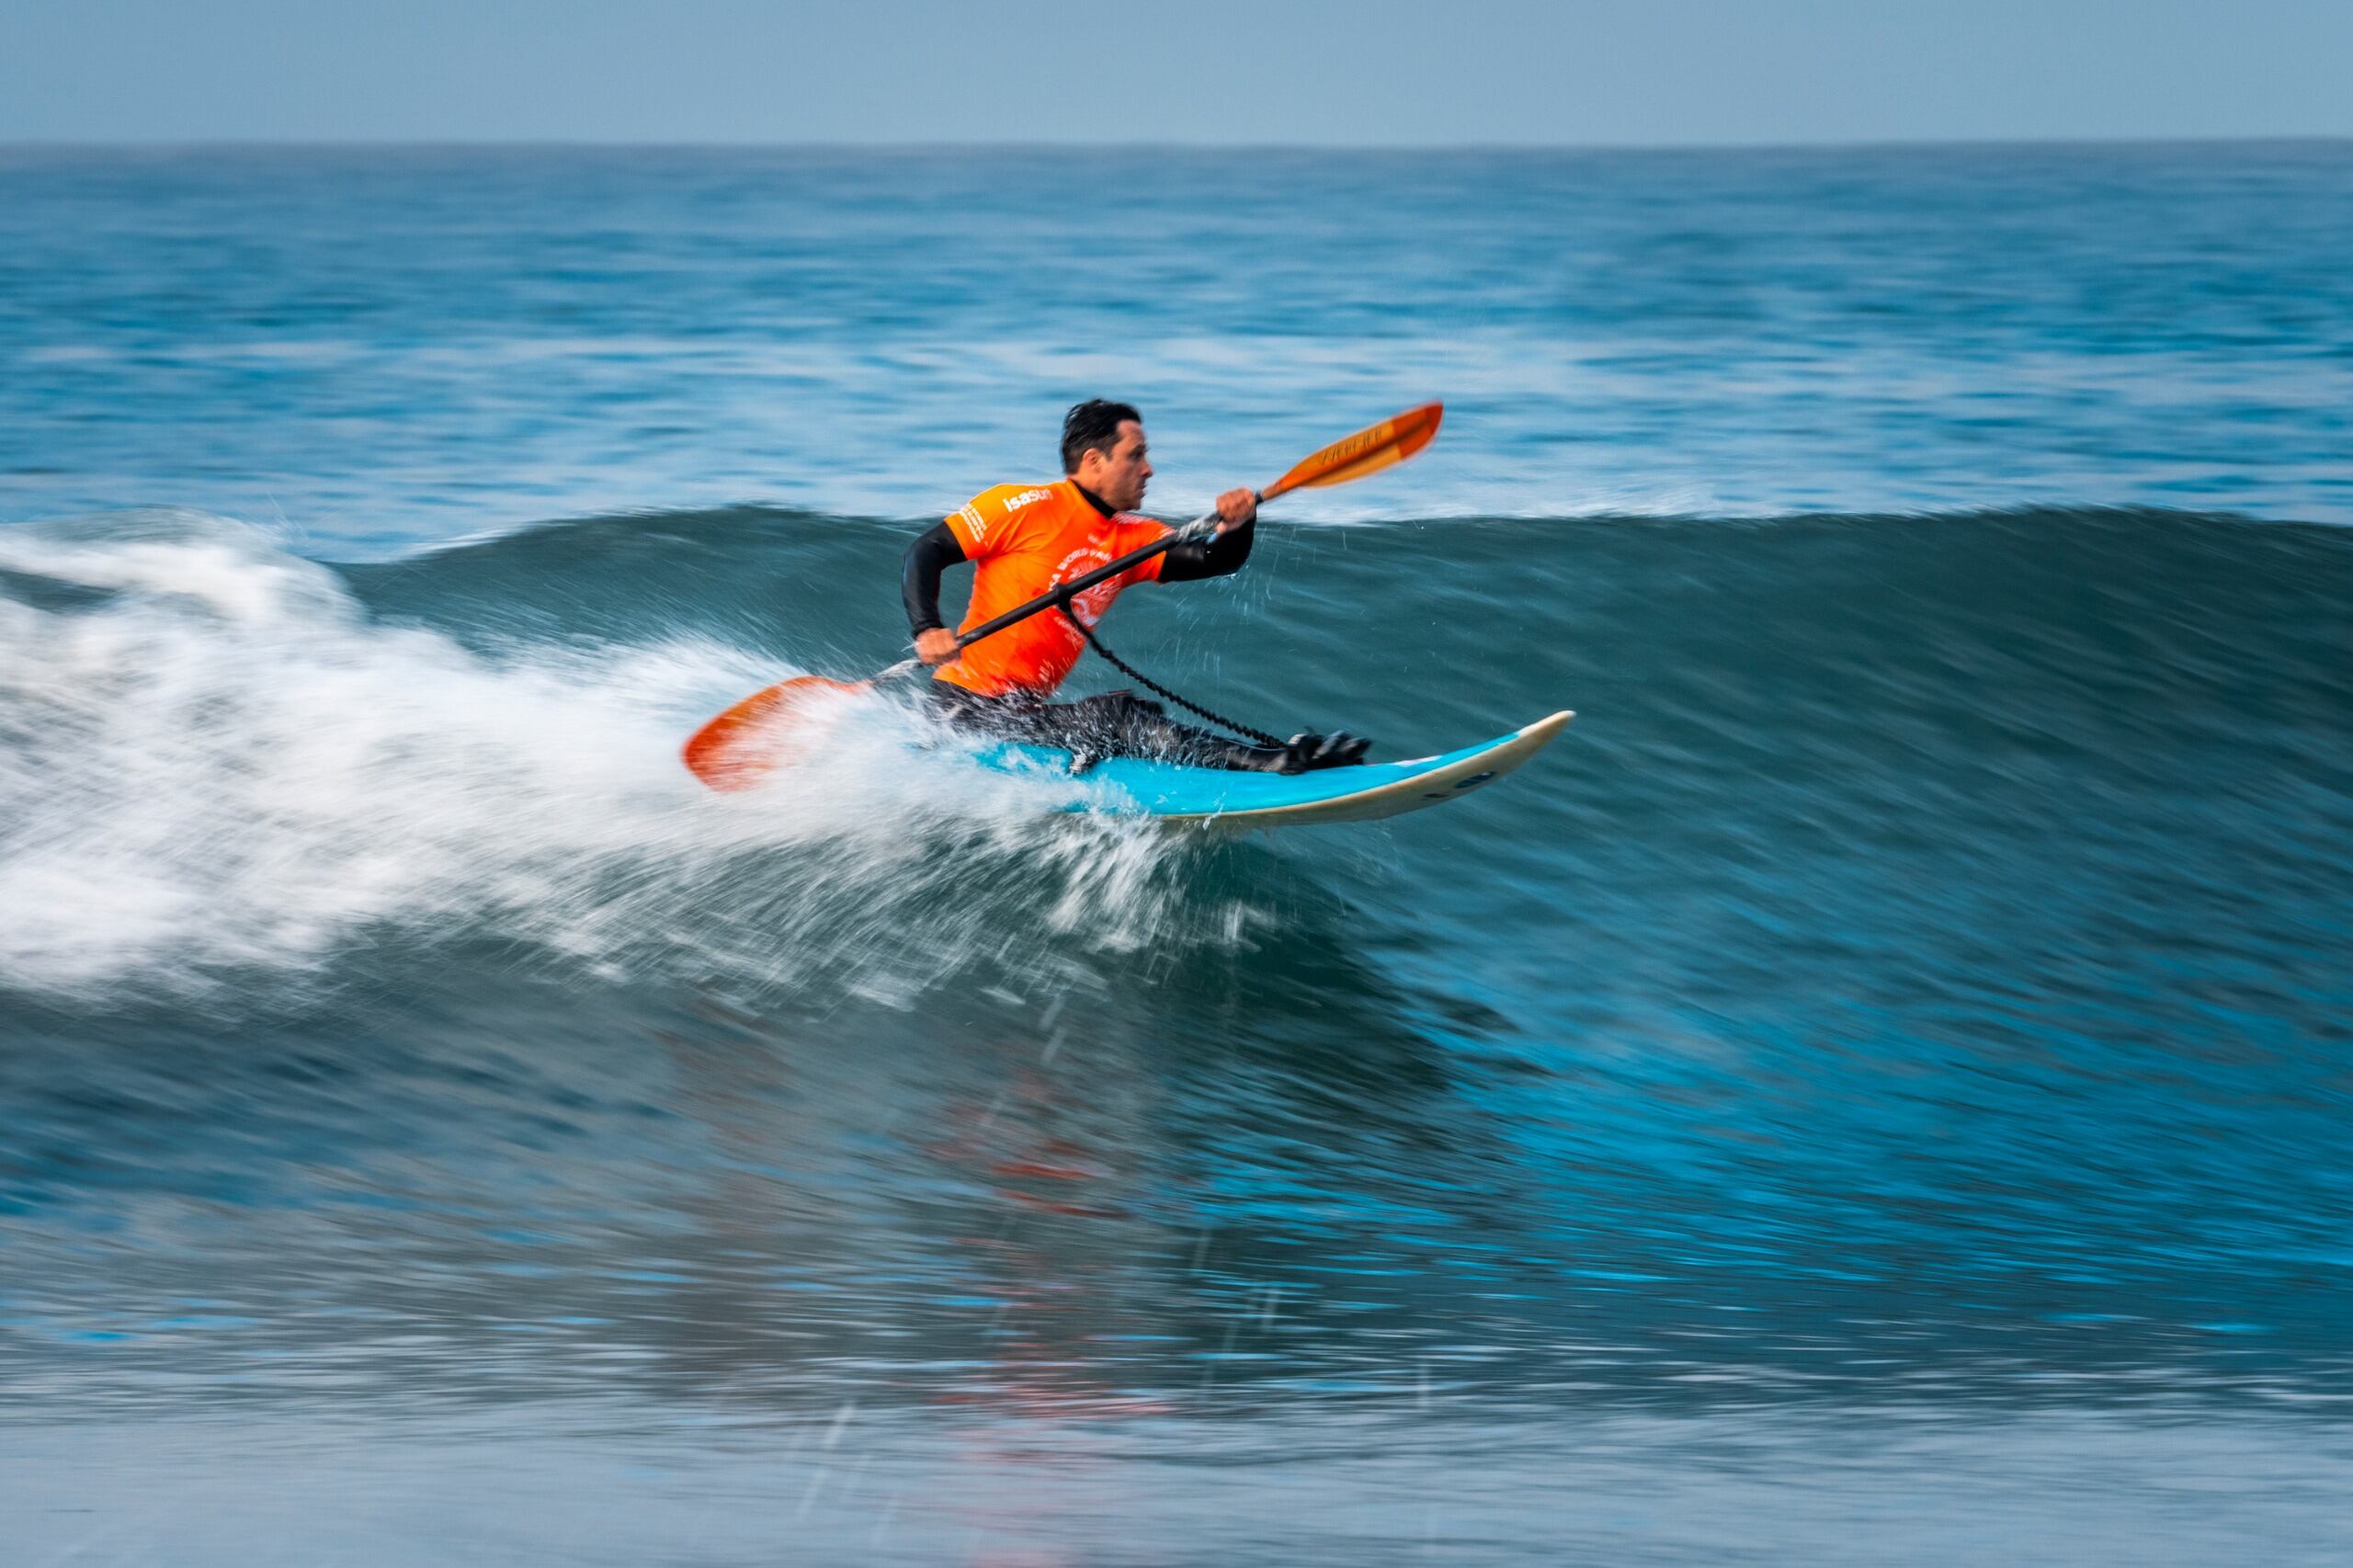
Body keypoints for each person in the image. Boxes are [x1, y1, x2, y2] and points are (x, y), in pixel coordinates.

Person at [901, 400, 1370, 773]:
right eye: (1136, 455)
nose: (1149, 469)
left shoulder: (1132, 537)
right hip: (962, 711)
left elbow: (1215, 559)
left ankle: (1253, 760)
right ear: (1093, 460)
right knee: (1120, 720)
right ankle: (1271, 764)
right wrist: (927, 628)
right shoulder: (1024, 505)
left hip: (1022, 715)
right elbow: (927, 550)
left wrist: (1239, 524)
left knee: (1131, 714)